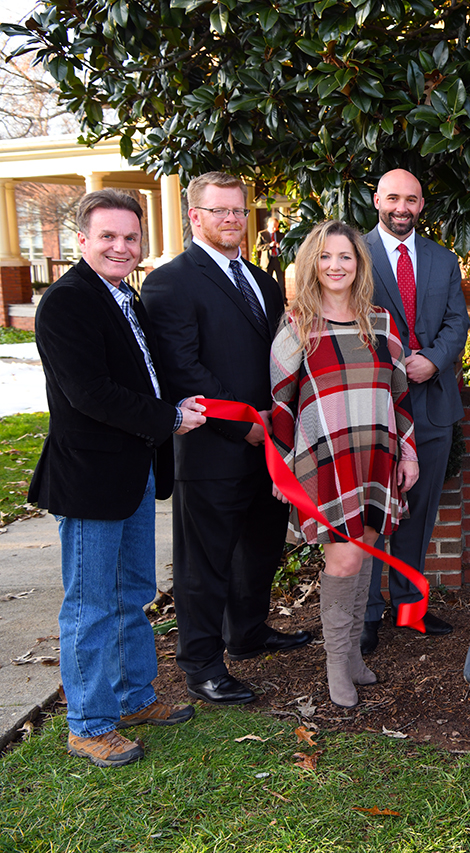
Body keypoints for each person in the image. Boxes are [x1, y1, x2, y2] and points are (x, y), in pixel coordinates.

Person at [29, 189, 206, 767]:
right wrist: (170, 418)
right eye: (107, 236)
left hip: (132, 473)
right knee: (91, 604)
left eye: (130, 237)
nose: (120, 246)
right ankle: (89, 723)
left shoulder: (125, 296)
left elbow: (144, 377)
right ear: (82, 240)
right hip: (90, 480)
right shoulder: (67, 302)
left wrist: (177, 403)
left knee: (133, 594)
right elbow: (91, 395)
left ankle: (132, 698)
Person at [142, 172, 312, 707]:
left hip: (267, 449)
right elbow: (182, 368)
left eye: (239, 211)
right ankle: (201, 664)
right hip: (212, 449)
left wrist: (278, 423)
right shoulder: (170, 282)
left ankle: (248, 633)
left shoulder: (261, 279)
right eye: (219, 211)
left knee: (260, 550)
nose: (232, 220)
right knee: (205, 564)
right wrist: (247, 424)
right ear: (195, 217)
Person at [269, 220, 418, 707]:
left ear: (359, 265)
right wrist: (286, 470)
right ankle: (336, 664)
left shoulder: (380, 322)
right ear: (312, 263)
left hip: (376, 456)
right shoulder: (297, 326)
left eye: (346, 257)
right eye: (326, 257)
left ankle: (352, 655)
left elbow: (399, 395)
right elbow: (281, 404)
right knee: (344, 560)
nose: (336, 266)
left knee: (365, 554)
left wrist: (408, 452)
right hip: (328, 461)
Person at [360, 168, 469, 653]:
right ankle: (364, 616)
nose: (402, 207)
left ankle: (409, 607)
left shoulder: (443, 261)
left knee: (419, 513)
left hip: (431, 401)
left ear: (422, 204)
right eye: (394, 198)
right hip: (372, 406)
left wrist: (432, 360)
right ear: (377, 200)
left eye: (412, 199)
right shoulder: (353, 254)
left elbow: (457, 322)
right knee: (368, 517)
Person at [256, 216, 285, 294]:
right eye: (273, 227)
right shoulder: (262, 234)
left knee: (281, 280)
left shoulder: (281, 235)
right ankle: (267, 297)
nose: (275, 229)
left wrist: (280, 246)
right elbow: (258, 247)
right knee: (266, 280)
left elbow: (285, 247)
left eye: (276, 227)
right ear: (268, 224)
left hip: (278, 259)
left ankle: (283, 299)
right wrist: (269, 245)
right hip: (267, 260)